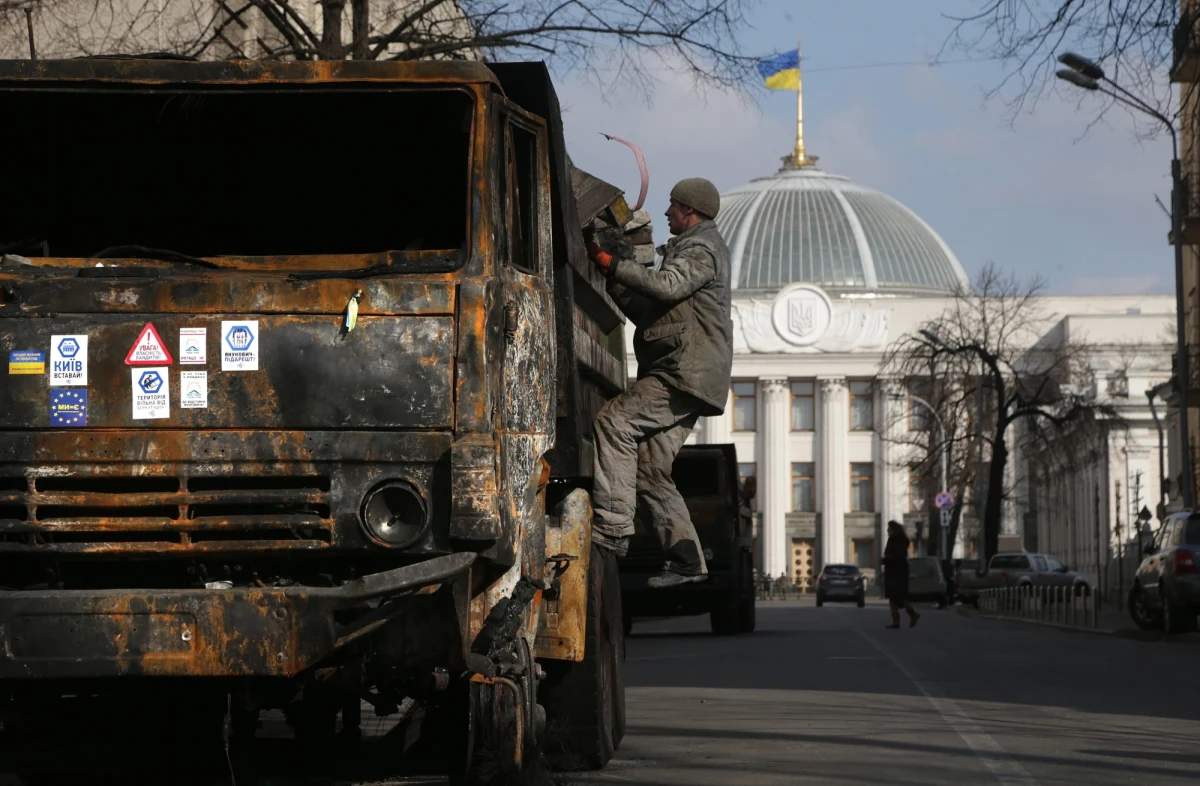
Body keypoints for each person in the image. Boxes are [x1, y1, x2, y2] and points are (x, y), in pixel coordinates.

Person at [586, 178, 733, 589]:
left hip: (683, 373)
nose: (666, 213)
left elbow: (667, 287)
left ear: (690, 211)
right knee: (649, 469)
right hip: (689, 374)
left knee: (614, 423)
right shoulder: (690, 250)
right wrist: (616, 275)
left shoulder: (702, 249)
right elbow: (654, 311)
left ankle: (613, 529)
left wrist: (613, 263)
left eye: (673, 206)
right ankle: (686, 557)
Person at [883, 520, 920, 629]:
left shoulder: (898, 540)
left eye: (889, 529)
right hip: (893, 570)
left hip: (898, 571)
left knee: (899, 597)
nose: (887, 531)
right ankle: (896, 621)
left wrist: (886, 560)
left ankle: (913, 614)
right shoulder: (894, 539)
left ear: (894, 530)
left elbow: (898, 557)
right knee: (892, 597)